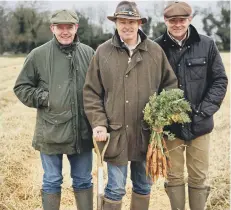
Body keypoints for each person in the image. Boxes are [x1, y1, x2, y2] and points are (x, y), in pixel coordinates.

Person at [83, 1, 178, 210]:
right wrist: (99, 123)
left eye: (132, 22)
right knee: (115, 188)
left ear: (140, 24)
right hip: (115, 134)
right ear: (116, 23)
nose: (127, 26)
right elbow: (91, 92)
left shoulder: (155, 52)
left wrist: (161, 117)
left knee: (144, 186)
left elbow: (170, 86)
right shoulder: (103, 52)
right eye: (122, 21)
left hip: (147, 134)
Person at [13, 10, 94, 210]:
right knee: (51, 180)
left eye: (69, 27)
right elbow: (21, 87)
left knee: (83, 180)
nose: (65, 31)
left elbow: (98, 89)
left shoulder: (89, 53)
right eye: (60, 27)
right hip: (50, 131)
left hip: (81, 131)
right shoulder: (37, 55)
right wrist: (46, 98)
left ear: (76, 28)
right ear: (52, 28)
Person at [155, 2, 228, 210]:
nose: (177, 24)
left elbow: (220, 80)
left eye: (182, 20)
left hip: (200, 124)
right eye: (172, 21)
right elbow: (149, 85)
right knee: (174, 175)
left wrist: (203, 111)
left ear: (190, 19)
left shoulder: (207, 44)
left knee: (198, 176)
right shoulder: (156, 48)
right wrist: (161, 116)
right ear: (165, 21)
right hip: (170, 128)